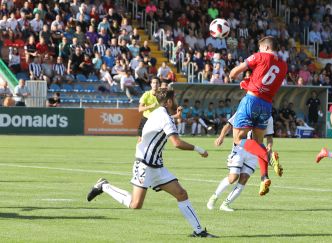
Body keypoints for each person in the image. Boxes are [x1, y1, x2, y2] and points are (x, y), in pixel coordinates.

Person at [87, 89, 216, 238]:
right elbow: (177, 143)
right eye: (174, 99)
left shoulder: (159, 113)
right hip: (144, 164)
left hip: (157, 166)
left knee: (181, 193)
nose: (176, 102)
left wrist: (175, 116)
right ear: (168, 102)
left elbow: (162, 123)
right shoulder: (164, 117)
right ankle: (104, 185)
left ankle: (199, 232)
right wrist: (199, 150)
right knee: (136, 204)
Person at [229, 36, 287, 195]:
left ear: (266, 48)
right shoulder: (283, 65)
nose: (259, 50)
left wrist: (234, 75)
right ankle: (264, 178)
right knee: (258, 141)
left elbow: (234, 73)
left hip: (252, 100)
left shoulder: (259, 56)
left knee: (238, 139)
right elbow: (267, 81)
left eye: (261, 48)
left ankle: (270, 158)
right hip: (267, 105)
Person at [208, 113, 282, 212]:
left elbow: (269, 136)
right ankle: (214, 196)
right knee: (232, 178)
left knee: (244, 179)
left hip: (254, 152)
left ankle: (226, 204)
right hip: (240, 148)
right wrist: (221, 136)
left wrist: (269, 146)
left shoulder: (269, 117)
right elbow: (229, 124)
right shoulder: (245, 108)